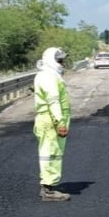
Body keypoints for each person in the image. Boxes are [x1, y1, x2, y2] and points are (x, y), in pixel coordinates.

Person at [33, 47, 71, 202]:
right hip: (50, 120)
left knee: (54, 153)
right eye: (59, 60)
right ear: (51, 60)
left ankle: (49, 186)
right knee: (49, 153)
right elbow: (53, 101)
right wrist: (60, 122)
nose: (62, 63)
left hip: (52, 119)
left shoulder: (51, 75)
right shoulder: (48, 76)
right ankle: (47, 189)